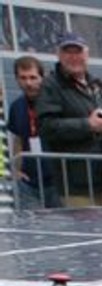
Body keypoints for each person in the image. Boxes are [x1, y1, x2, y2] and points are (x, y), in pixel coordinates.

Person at [33, 30, 102, 206]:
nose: (73, 57)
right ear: (59, 55)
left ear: (87, 54)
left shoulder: (100, 87)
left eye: (77, 51)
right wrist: (87, 125)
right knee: (90, 233)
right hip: (79, 187)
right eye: (67, 52)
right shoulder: (51, 86)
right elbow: (46, 127)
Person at [5, 55, 60, 208]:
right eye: (23, 78)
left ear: (42, 77)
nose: (28, 83)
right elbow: (18, 140)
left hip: (57, 181)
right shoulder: (17, 106)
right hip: (29, 182)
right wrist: (16, 169)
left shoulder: (55, 102)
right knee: (32, 227)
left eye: (33, 77)